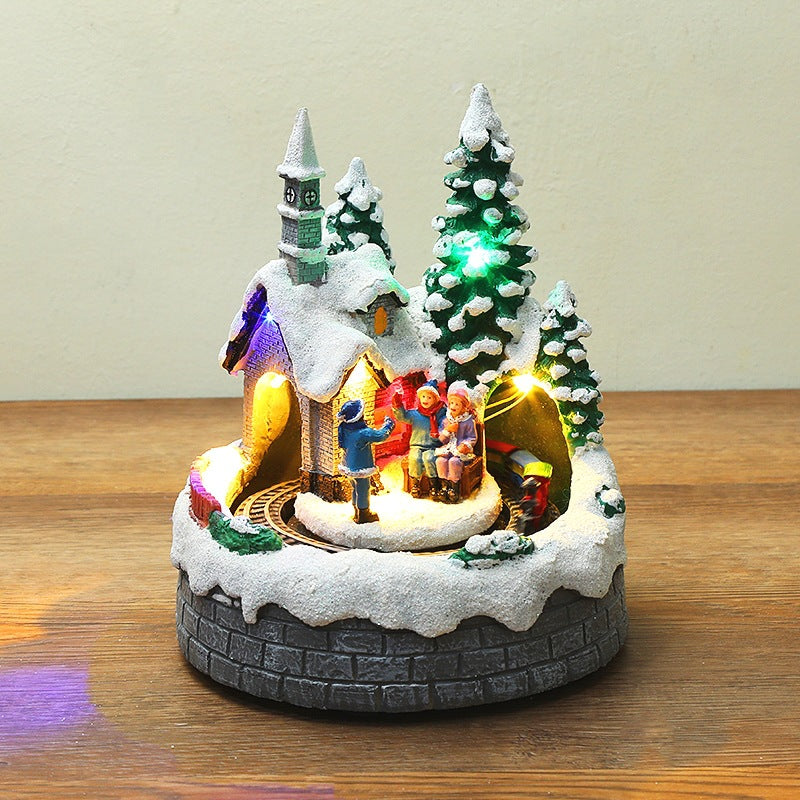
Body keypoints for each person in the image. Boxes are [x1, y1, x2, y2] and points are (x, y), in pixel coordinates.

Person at [337, 399, 395, 523]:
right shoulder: (363, 433)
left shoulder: (344, 428)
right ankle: (364, 514)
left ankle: (356, 511)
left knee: (355, 488)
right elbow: (380, 436)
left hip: (348, 465)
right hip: (360, 467)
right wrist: (388, 425)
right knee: (363, 489)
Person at [392, 379, 447, 499]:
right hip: (416, 445)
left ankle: (434, 485)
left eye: (429, 397)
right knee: (415, 458)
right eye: (423, 397)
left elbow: (448, 421)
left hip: (432, 446)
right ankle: (415, 484)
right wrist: (397, 405)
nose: (425, 400)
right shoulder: (416, 414)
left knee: (429, 458)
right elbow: (402, 416)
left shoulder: (440, 413)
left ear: (435, 399)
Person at [435, 386, 478, 503]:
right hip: (448, 448)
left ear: (464, 407)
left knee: (454, 462)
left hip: (460, 451)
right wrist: (448, 430)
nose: (453, 406)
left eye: (457, 404)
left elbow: (472, 438)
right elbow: (441, 439)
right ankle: (444, 486)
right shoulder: (446, 420)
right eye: (451, 403)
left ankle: (454, 488)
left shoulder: (468, 421)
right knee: (440, 461)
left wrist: (465, 445)